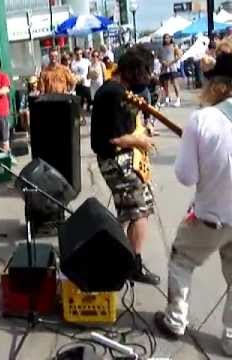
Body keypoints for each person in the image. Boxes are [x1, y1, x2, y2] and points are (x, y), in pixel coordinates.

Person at [154, 49, 232, 356]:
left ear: (217, 84)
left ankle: (175, 321)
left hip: (209, 217)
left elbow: (186, 177)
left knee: (182, 260)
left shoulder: (202, 120)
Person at [90, 45, 160, 285]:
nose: (147, 78)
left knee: (137, 212)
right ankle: (132, 266)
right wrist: (139, 139)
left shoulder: (118, 90)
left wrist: (142, 130)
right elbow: (111, 138)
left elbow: (125, 126)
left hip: (124, 159)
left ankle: (129, 261)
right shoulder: (114, 93)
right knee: (138, 212)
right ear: (131, 71)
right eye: (144, 72)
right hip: (117, 161)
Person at [159, 33, 182, 107]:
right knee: (166, 84)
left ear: (170, 39)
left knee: (175, 83)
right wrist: (162, 62)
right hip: (164, 68)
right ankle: (167, 99)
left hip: (172, 67)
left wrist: (171, 62)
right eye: (165, 38)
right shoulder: (161, 48)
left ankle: (178, 99)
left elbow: (179, 56)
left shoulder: (174, 46)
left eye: (168, 38)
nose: (166, 39)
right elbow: (159, 57)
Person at [71, 47, 92, 113]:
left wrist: (89, 76)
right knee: (80, 102)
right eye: (77, 54)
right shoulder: (73, 63)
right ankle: (81, 116)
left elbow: (90, 69)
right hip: (78, 84)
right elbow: (72, 73)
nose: (79, 55)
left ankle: (89, 112)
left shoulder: (86, 61)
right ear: (75, 54)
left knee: (89, 100)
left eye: (80, 54)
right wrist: (76, 78)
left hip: (86, 84)